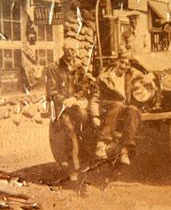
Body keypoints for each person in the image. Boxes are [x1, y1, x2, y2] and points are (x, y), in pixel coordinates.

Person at [90, 50, 143, 165]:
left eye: (126, 64)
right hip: (107, 108)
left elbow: (146, 77)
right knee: (118, 105)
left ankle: (125, 150)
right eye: (121, 62)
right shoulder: (104, 77)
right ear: (116, 62)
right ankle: (102, 144)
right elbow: (95, 98)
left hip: (123, 108)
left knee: (134, 110)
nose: (123, 66)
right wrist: (95, 116)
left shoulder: (131, 76)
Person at [46, 37, 89, 181]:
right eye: (70, 50)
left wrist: (75, 98)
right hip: (61, 108)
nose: (72, 53)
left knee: (87, 120)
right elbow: (51, 92)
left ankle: (90, 157)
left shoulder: (78, 67)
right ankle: (74, 169)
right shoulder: (54, 68)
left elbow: (83, 88)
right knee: (70, 131)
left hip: (75, 104)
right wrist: (64, 100)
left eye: (74, 50)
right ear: (64, 50)